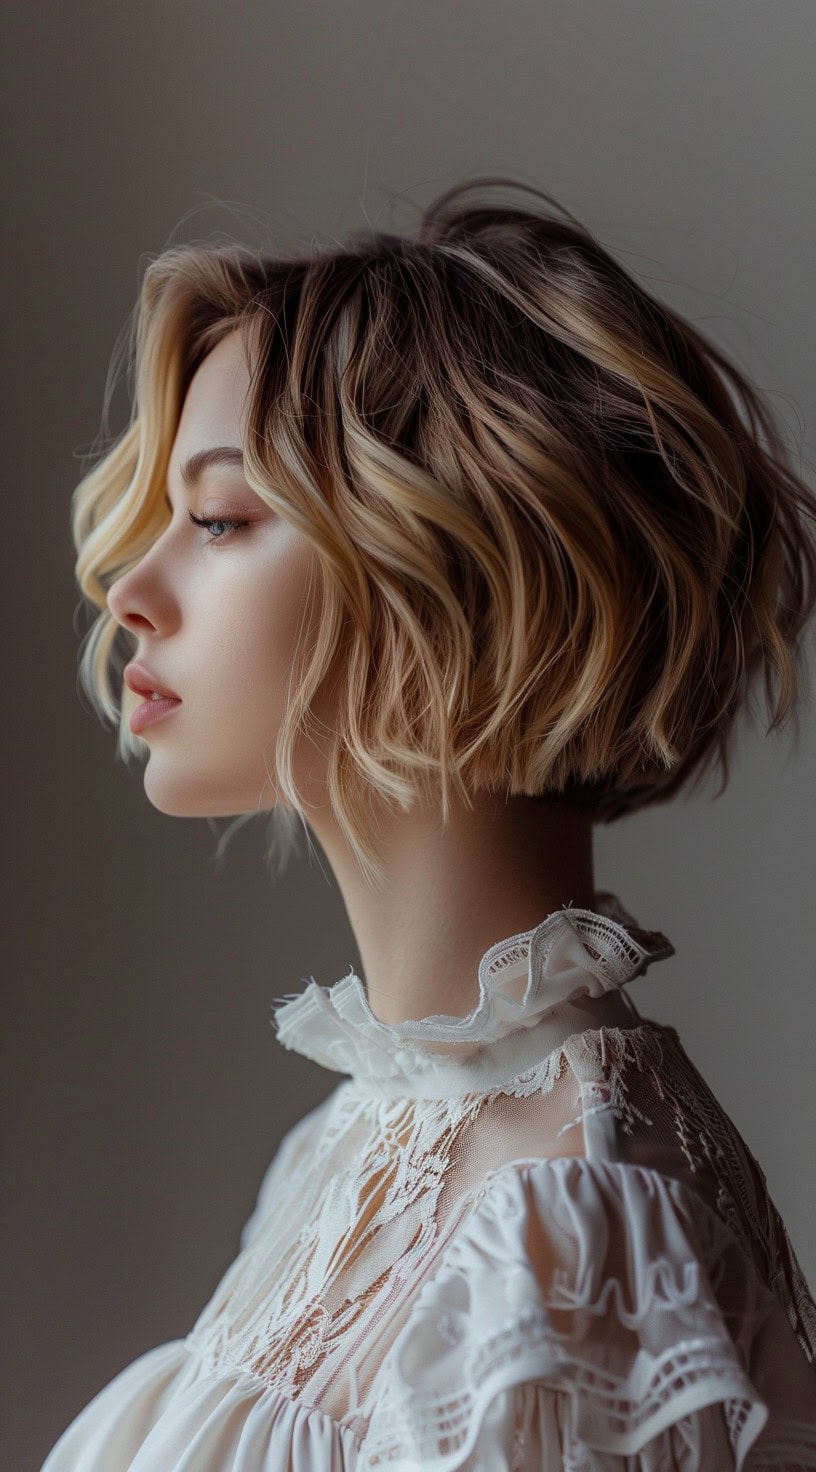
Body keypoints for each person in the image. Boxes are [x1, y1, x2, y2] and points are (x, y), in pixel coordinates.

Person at [43, 177, 816, 1469]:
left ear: (451, 570)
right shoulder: (357, 1145)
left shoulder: (566, 1219)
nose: (132, 588)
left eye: (221, 518)